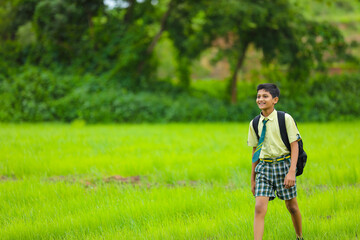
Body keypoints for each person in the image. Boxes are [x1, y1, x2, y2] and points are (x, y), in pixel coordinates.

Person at [248, 83, 303, 240]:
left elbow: (295, 146)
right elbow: (255, 151)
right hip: (264, 168)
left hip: (283, 166)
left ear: (275, 100)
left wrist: (291, 171)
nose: (260, 99)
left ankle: (300, 237)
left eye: (265, 96)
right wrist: (252, 178)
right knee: (259, 207)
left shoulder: (285, 119)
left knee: (292, 207)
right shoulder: (254, 123)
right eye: (258, 96)